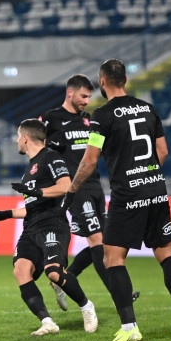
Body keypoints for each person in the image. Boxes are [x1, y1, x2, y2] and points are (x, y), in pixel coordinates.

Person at [62, 59, 171, 341]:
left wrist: (72, 191)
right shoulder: (148, 108)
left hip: (128, 194)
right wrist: (146, 174)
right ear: (124, 79)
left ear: (102, 81)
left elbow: (89, 159)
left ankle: (129, 328)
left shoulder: (102, 116)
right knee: (167, 254)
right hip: (157, 190)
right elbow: (163, 150)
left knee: (112, 258)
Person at [0, 119, 98, 336]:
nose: (17, 141)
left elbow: (65, 186)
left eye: (18, 136)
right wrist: (5, 214)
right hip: (31, 228)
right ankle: (47, 322)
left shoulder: (51, 157)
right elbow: (32, 207)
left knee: (53, 273)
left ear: (25, 138)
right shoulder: (30, 169)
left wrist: (38, 192)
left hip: (53, 224)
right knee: (21, 270)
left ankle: (86, 306)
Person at [41, 74, 139, 310]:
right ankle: (119, 296)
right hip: (76, 190)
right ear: (70, 93)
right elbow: (38, 150)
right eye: (83, 96)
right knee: (97, 239)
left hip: (96, 188)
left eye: (89, 96)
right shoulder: (51, 119)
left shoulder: (89, 121)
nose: (87, 101)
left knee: (102, 243)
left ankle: (63, 279)